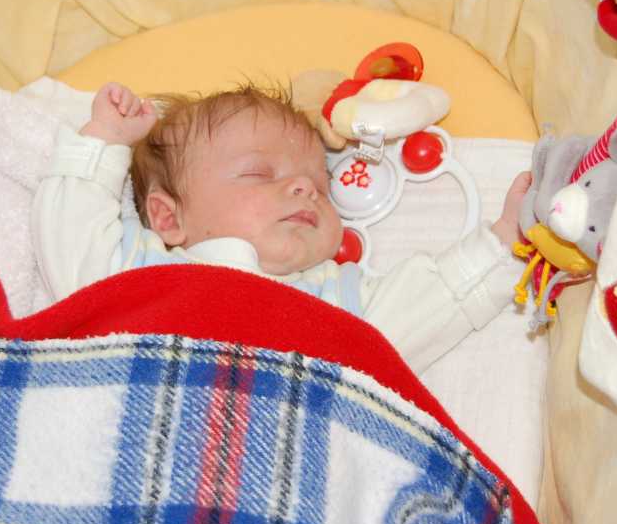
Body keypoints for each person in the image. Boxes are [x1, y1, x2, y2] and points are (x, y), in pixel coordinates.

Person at [32, 81, 530, 374]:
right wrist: (103, 140)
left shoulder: (339, 301)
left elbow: (431, 303)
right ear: (168, 218)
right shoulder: (141, 272)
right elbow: (69, 234)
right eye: (259, 173)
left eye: (321, 185)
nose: (304, 188)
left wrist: (506, 243)